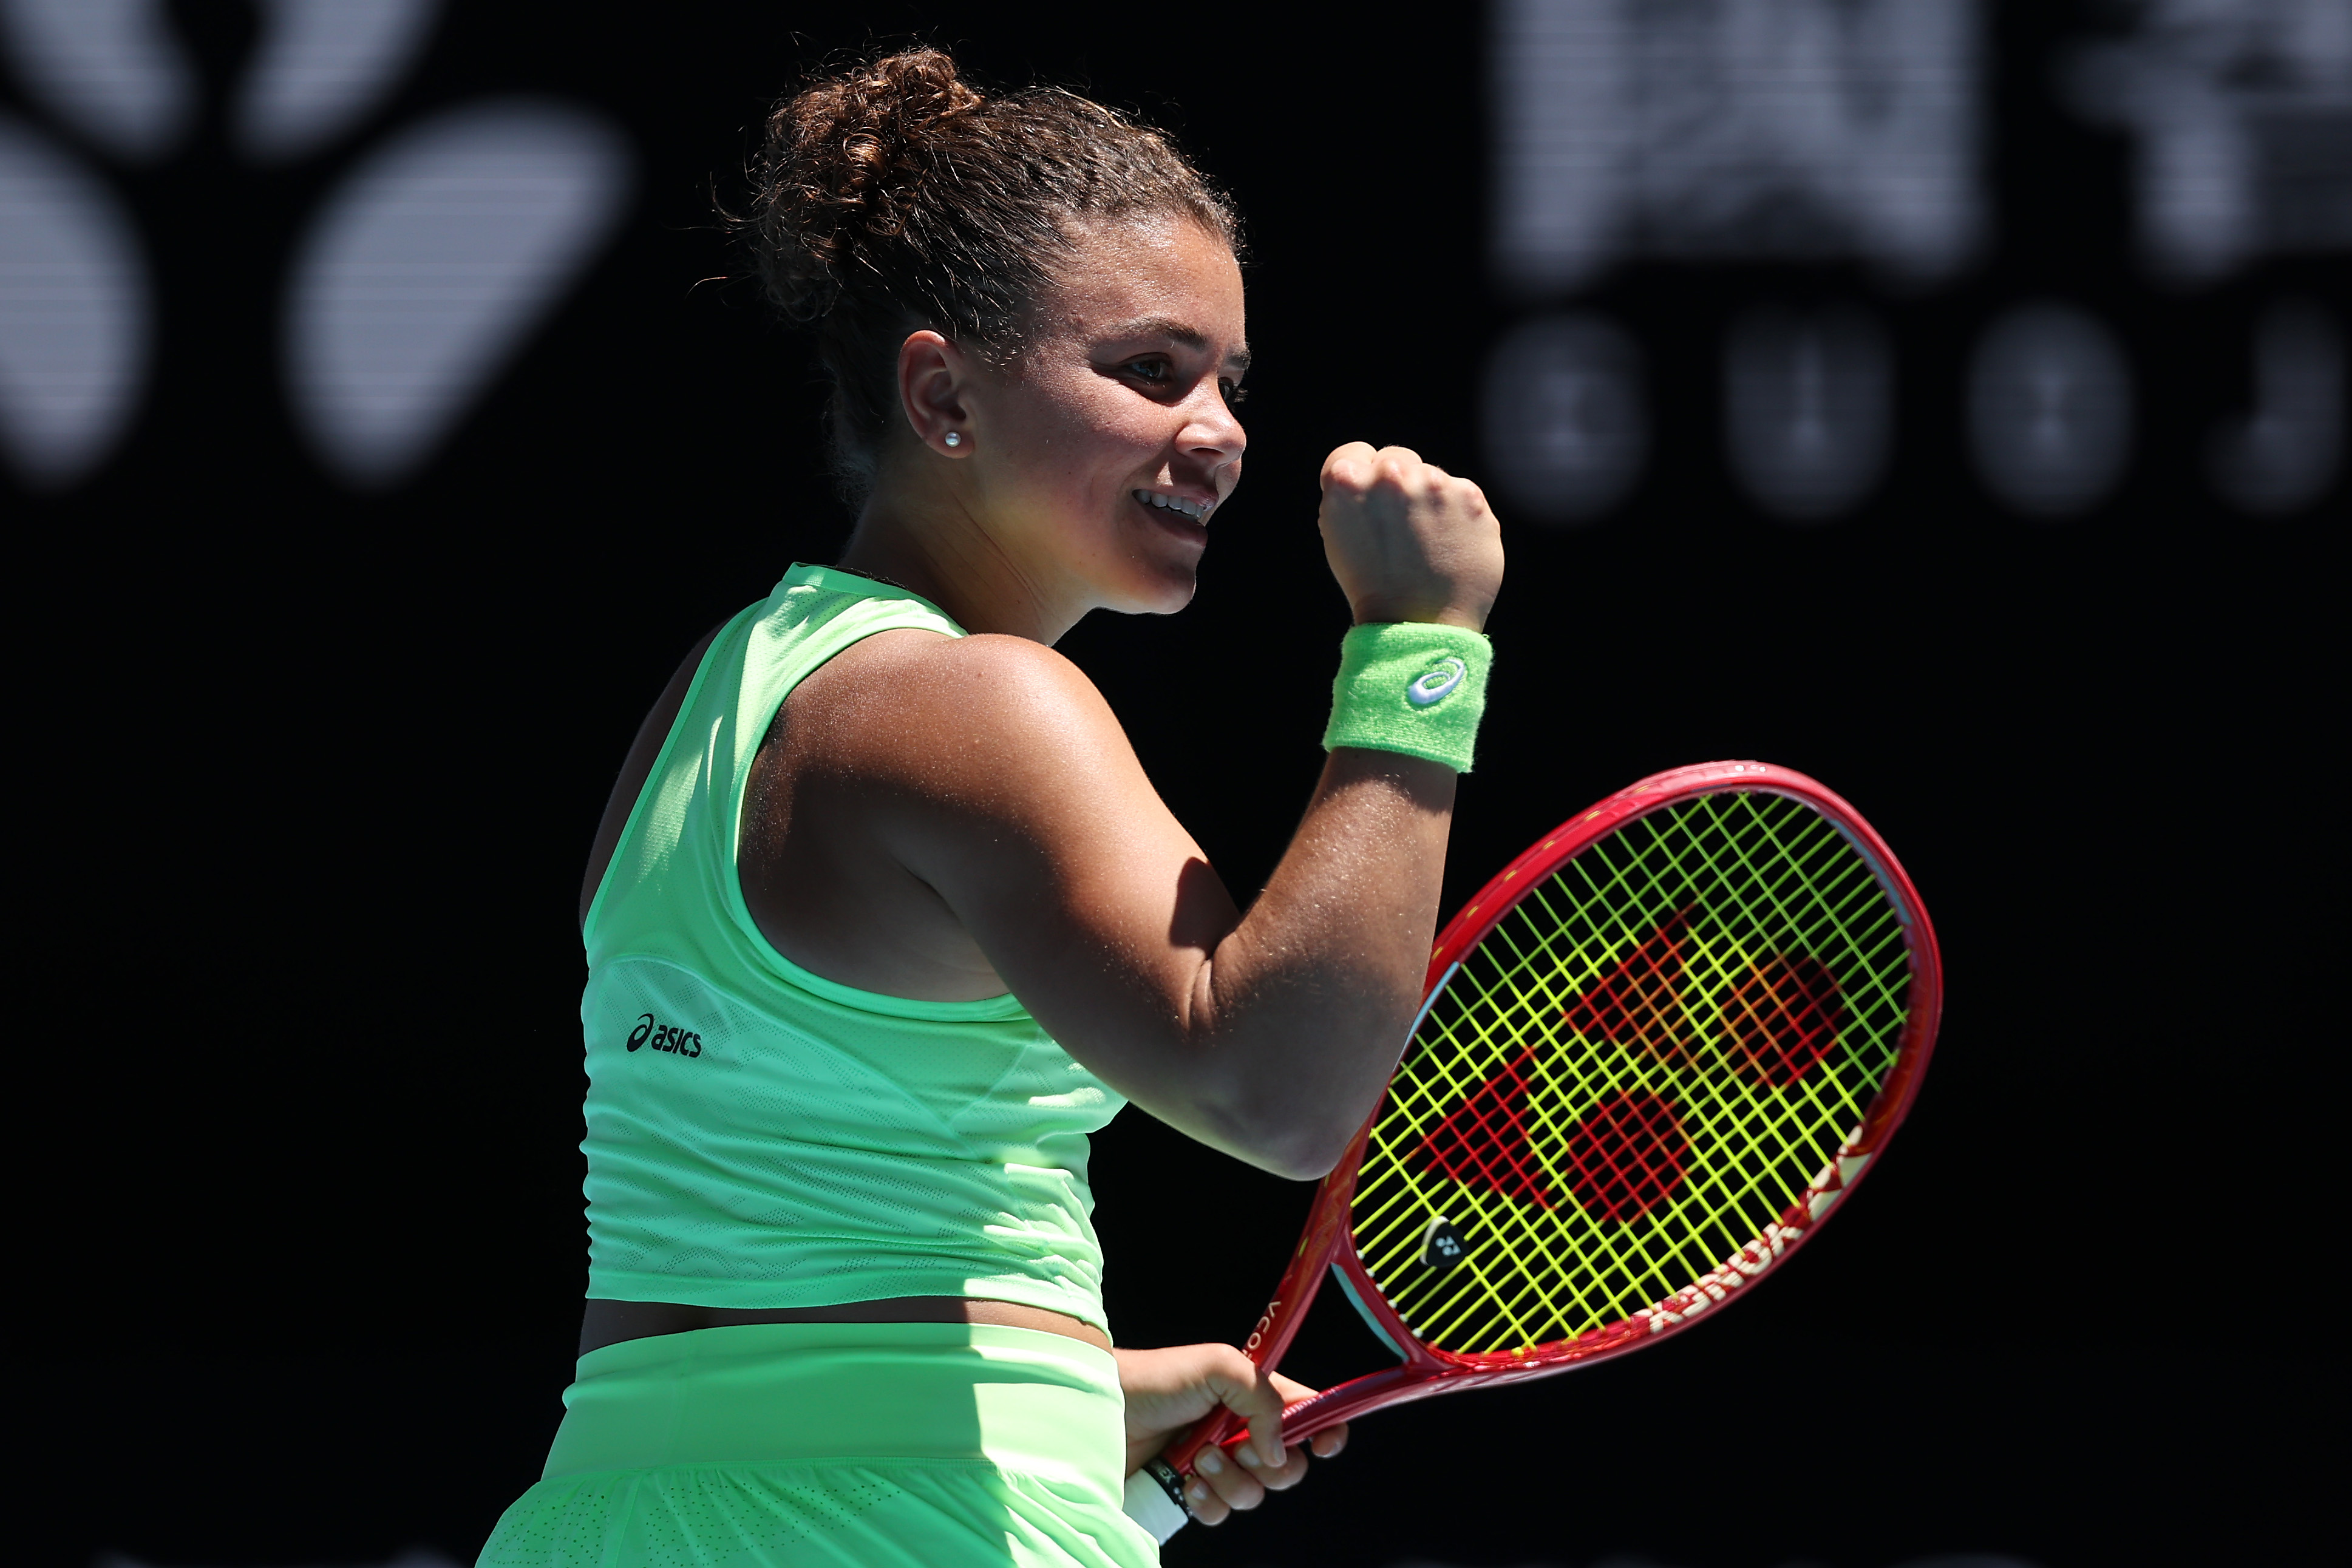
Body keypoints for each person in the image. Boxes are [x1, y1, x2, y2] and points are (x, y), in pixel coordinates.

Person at [478, 44, 1503, 1568]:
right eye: (1148, 371)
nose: (1216, 427)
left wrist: (1063, 1400)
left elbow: (757, 1257)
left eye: (1228, 379)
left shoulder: (719, 695)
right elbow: (1284, 1097)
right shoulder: (975, 703)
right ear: (943, 392)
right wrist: (1420, 651)